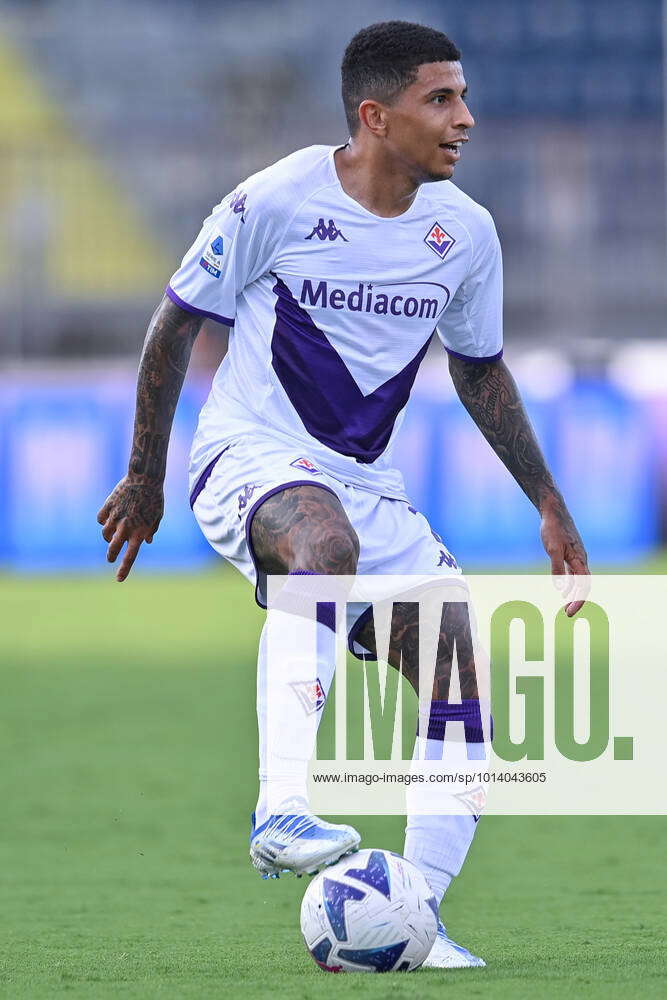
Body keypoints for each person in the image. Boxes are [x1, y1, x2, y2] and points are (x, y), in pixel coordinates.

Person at [98, 21, 588, 968]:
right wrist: (145, 473)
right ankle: (280, 805)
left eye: (463, 96)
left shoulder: (465, 235)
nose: (465, 120)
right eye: (439, 100)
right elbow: (173, 323)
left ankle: (416, 913)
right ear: (375, 115)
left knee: (460, 675)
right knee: (321, 546)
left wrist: (549, 502)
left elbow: (479, 372)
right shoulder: (277, 199)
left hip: (364, 482)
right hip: (251, 453)